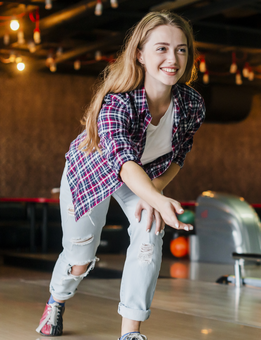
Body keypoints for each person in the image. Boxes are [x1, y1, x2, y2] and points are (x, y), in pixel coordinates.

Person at [36, 11, 205, 340]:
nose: (173, 59)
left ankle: (130, 333)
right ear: (140, 54)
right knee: (79, 260)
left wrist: (153, 194)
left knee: (149, 236)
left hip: (142, 178)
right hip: (92, 173)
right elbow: (122, 161)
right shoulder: (117, 103)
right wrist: (155, 198)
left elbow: (179, 155)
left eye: (181, 49)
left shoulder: (191, 104)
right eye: (162, 49)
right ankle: (56, 299)